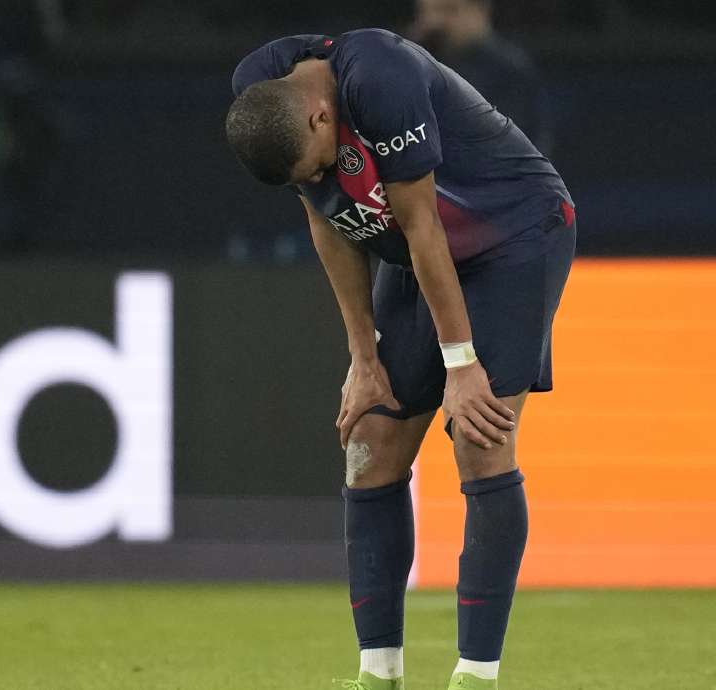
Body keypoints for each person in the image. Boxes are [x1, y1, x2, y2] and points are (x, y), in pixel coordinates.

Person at [225, 28, 575, 690]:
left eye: (318, 165)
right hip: (413, 253)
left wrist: (462, 365)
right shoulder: (263, 94)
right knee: (370, 438)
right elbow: (328, 221)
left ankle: (476, 676)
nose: (321, 179)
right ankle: (378, 675)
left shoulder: (380, 77)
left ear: (320, 116)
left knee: (479, 435)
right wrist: (364, 359)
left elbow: (423, 225)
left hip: (512, 238)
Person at [409, 0, 553, 154]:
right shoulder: (416, 64)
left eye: (449, 10)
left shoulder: (508, 71)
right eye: (426, 12)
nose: (435, 21)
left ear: (480, 11)